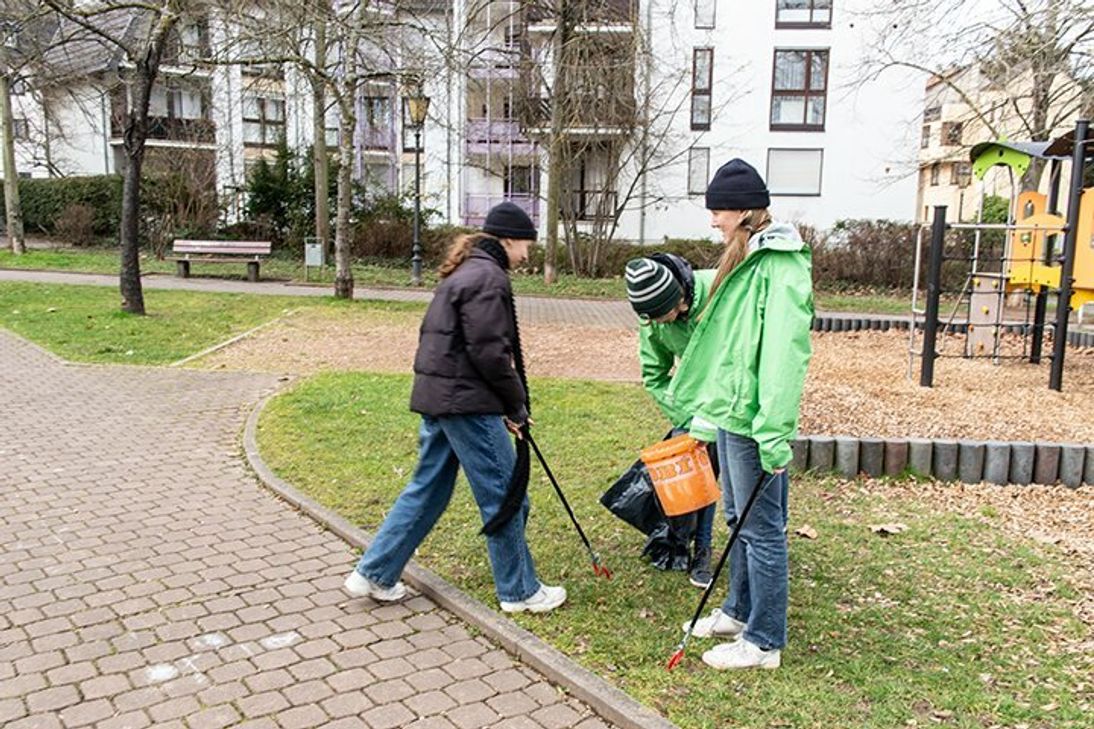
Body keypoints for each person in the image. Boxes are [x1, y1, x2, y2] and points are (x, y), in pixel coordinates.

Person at [344, 202, 566, 614]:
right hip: (467, 405)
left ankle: (373, 573)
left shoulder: (466, 271)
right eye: (526, 246)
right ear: (508, 239)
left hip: (442, 400)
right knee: (506, 497)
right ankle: (520, 591)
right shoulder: (488, 277)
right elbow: (490, 353)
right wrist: (515, 405)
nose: (527, 255)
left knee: (427, 491)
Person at [668, 158, 813, 670]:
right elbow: (726, 343)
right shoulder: (744, 259)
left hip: (756, 419)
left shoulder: (782, 266)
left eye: (718, 211)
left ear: (745, 210)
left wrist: (774, 432)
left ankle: (765, 641)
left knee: (763, 529)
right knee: (737, 519)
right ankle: (737, 611)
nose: (711, 221)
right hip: (730, 412)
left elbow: (783, 355)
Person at [624, 254, 718, 588]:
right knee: (692, 472)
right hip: (692, 406)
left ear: (679, 298)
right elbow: (654, 375)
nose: (661, 325)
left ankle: (715, 547)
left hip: (734, 397)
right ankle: (688, 545)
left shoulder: (719, 291)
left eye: (664, 316)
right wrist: (687, 417)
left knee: (732, 470)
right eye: (652, 320)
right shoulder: (652, 320)